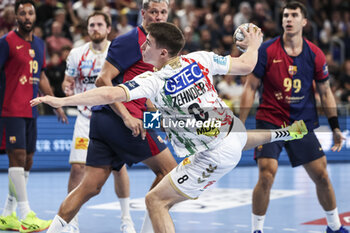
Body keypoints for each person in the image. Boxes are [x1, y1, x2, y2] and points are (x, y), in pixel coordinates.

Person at [31, 22, 308, 233]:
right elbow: (248, 65)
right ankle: (285, 132)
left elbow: (107, 94)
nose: (142, 47)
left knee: (155, 201)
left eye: (147, 43)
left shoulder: (155, 80)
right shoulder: (200, 58)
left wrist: (61, 99)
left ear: (162, 52)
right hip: (224, 135)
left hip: (210, 156)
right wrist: (254, 43)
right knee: (231, 135)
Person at [36, 1, 177, 233]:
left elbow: (143, 94)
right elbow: (103, 81)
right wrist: (126, 118)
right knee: (170, 172)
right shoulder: (131, 41)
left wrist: (158, 120)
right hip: (121, 118)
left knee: (90, 187)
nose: (159, 16)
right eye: (153, 11)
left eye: (163, 12)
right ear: (143, 13)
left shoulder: (157, 45)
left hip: (105, 119)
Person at [239, 2, 348, 233]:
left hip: (300, 124)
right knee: (267, 173)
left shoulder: (315, 54)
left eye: (294, 15)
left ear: (304, 22)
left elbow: (326, 92)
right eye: (285, 15)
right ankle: (256, 230)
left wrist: (335, 127)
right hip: (270, 120)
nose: (288, 19)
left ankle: (334, 226)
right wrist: (239, 124)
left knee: (322, 176)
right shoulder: (267, 51)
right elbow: (250, 89)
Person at [61, 11, 135, 233]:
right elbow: (68, 81)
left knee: (118, 169)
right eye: (91, 25)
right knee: (77, 169)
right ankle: (71, 222)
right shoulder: (76, 54)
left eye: (99, 25)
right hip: (85, 119)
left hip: (111, 118)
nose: (95, 28)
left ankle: (126, 219)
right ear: (87, 28)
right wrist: (66, 88)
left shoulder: (118, 52)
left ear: (108, 28)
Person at [0, 0, 67, 232]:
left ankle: (7, 214)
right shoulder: (6, 42)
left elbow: (42, 76)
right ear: (16, 17)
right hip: (10, 109)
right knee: (17, 157)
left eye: (30, 13)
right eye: (23, 13)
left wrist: (54, 102)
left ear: (34, 17)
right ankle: (26, 214)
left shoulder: (40, 44)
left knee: (28, 159)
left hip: (31, 109)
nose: (27, 17)